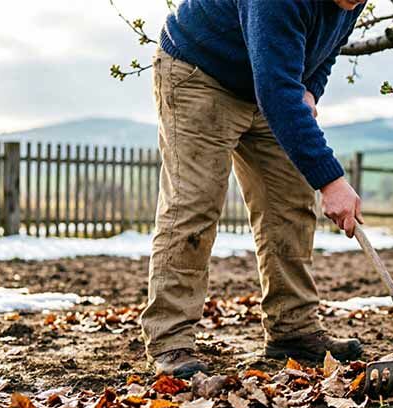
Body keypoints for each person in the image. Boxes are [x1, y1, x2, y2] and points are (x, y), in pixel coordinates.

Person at [140, 0, 368, 379]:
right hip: (200, 72)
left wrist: (311, 88)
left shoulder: (353, 1)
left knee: (290, 206)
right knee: (193, 207)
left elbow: (327, 48)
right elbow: (277, 91)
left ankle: (293, 330)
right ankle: (170, 341)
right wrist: (331, 180)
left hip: (265, 83)